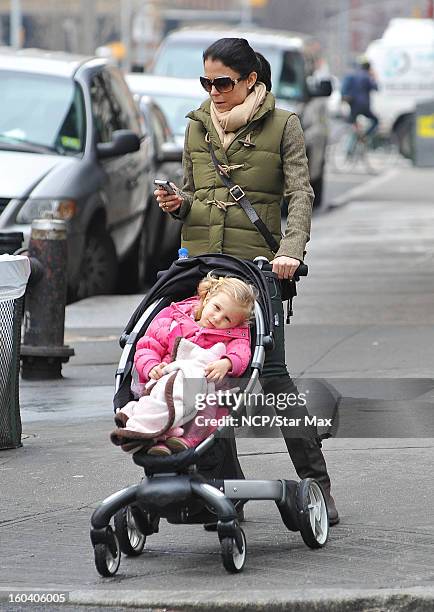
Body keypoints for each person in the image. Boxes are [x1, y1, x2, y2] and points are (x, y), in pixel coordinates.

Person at [154, 37, 339, 525]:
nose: (213, 91)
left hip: (258, 271)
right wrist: (179, 205)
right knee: (203, 380)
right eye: (206, 82)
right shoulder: (197, 126)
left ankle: (317, 485)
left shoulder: (284, 125)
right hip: (203, 271)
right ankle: (223, 488)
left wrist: (290, 252)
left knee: (273, 379)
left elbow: (300, 194)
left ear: (250, 80)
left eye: (223, 82)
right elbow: (197, 195)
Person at [129, 273, 255, 455]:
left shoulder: (232, 336)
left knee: (209, 412)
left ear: (235, 324)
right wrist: (151, 366)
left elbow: (242, 353)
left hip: (202, 391)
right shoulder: (173, 320)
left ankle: (183, 441)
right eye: (216, 308)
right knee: (156, 404)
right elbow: (148, 346)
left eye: (227, 319)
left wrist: (227, 363)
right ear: (206, 298)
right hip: (165, 383)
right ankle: (153, 435)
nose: (218, 318)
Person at [341, 58, 379, 137]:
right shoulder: (367, 76)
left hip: (353, 104)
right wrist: (374, 77)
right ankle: (364, 136)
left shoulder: (353, 75)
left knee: (352, 122)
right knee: (375, 121)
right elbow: (375, 87)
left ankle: (354, 137)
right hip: (364, 105)